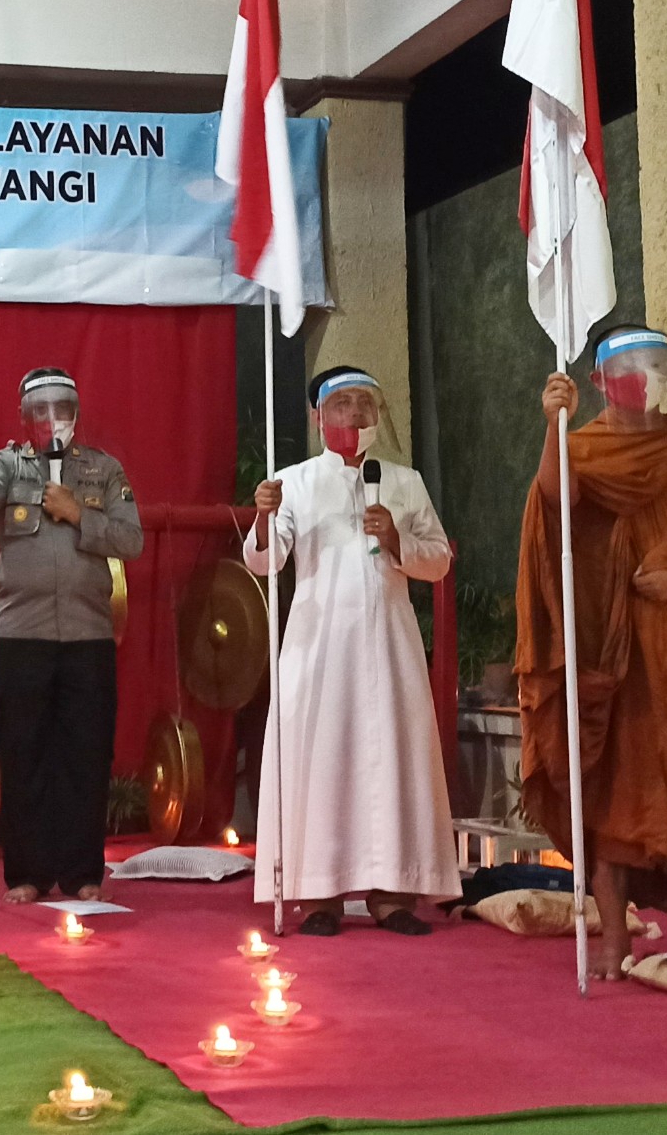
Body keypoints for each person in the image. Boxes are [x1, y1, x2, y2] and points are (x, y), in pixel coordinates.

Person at [518, 325, 667, 978]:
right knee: (612, 791)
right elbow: (551, 503)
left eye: (653, 366)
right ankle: (613, 939)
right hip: (613, 656)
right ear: (598, 382)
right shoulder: (584, 449)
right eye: (627, 369)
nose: (642, 379)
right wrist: (552, 427)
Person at [247, 367, 460, 936]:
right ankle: (322, 896)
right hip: (320, 648)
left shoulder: (405, 481)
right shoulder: (292, 481)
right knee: (325, 759)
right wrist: (265, 518)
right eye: (343, 405)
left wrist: (396, 540)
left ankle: (393, 894)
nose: (355, 415)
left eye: (365, 404)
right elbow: (268, 562)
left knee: (392, 760)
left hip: (389, 643)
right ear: (319, 416)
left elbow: (438, 560)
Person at [0, 368, 142, 904]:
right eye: (40, 410)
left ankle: (83, 870)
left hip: (88, 633)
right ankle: (27, 873)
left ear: (76, 414)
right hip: (22, 633)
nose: (51, 418)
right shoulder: (5, 463)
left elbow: (131, 539)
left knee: (85, 752)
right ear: (24, 416)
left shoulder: (103, 469)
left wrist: (78, 514)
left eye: (62, 408)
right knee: (24, 752)